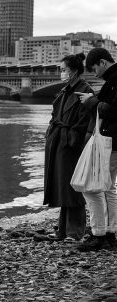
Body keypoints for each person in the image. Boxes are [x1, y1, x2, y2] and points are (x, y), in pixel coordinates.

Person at [35, 53, 93, 243]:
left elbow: (86, 122)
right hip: (60, 141)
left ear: (74, 71)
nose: (61, 73)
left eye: (63, 70)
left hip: (71, 144)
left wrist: (71, 139)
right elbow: (55, 115)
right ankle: (63, 230)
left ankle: (74, 232)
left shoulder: (85, 90)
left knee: (73, 186)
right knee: (62, 185)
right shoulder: (65, 91)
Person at [74, 47, 117, 251]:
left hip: (110, 142)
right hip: (113, 142)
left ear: (102, 62)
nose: (93, 73)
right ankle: (109, 233)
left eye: (93, 68)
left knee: (92, 188)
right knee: (108, 188)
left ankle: (99, 234)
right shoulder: (113, 80)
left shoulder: (115, 79)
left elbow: (113, 111)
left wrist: (90, 101)